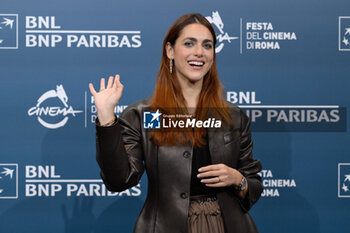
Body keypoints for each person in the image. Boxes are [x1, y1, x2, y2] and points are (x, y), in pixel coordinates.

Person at [89, 13, 263, 233]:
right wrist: (106, 118)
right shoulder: (144, 115)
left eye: (207, 45)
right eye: (189, 43)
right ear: (170, 50)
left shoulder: (233, 116)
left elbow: (254, 186)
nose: (199, 52)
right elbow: (119, 180)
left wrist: (238, 179)